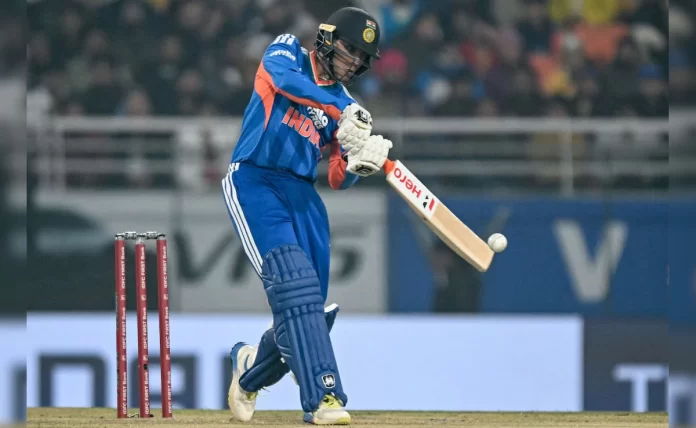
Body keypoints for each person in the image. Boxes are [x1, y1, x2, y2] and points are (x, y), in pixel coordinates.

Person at [220, 7, 392, 426]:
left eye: (362, 57)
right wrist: (338, 111)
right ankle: (325, 397)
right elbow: (282, 80)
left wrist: (358, 164)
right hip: (256, 179)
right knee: (294, 287)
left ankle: (249, 370)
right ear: (327, 39)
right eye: (349, 48)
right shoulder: (288, 53)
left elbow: (336, 177)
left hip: (303, 195)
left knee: (309, 310)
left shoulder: (349, 106)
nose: (353, 61)